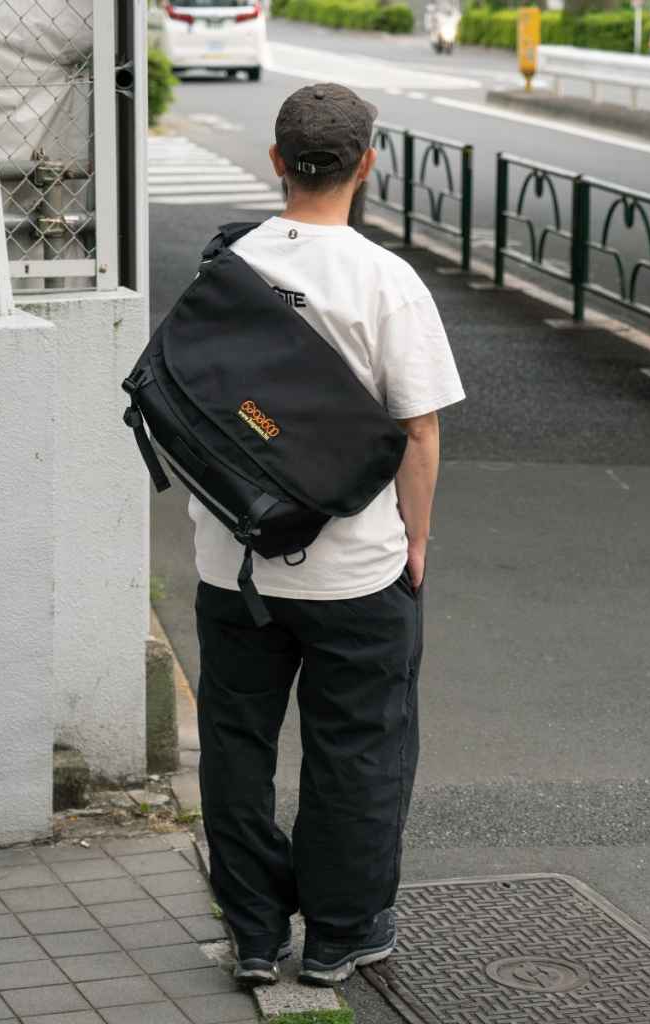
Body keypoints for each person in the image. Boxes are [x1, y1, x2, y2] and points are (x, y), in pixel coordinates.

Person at [191, 83, 465, 987]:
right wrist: (415, 541)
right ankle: (342, 935)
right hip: (355, 571)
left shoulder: (223, 269)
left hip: (231, 564)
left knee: (236, 744)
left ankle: (257, 935)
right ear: (367, 165)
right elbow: (419, 430)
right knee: (357, 750)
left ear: (276, 161)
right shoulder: (385, 280)